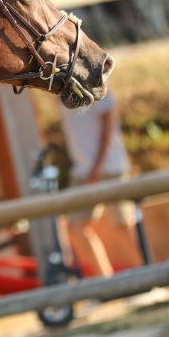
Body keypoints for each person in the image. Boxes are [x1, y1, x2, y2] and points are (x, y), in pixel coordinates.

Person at [59, 90, 142, 276]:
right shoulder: (59, 88)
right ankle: (106, 283)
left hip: (109, 167)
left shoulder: (93, 76)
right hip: (82, 171)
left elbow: (109, 119)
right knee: (76, 226)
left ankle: (151, 280)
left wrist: (99, 164)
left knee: (123, 224)